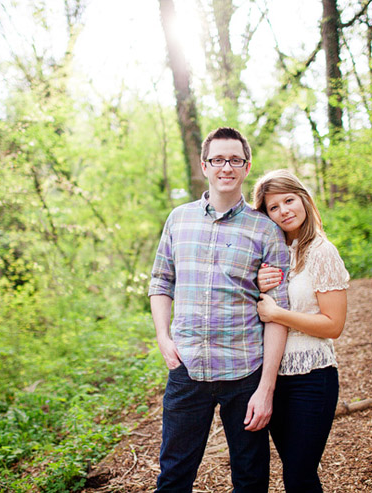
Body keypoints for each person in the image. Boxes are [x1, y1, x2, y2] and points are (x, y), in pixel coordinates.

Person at [148, 127, 291, 492]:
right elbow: (161, 282)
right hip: (187, 368)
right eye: (218, 160)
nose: (226, 167)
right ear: (204, 165)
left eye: (235, 160)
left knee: (250, 478)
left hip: (244, 372)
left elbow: (278, 312)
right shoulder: (178, 219)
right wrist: (163, 337)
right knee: (174, 476)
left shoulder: (265, 230)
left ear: (246, 167)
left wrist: (267, 388)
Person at [252, 169, 349, 492]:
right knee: (293, 473)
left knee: (299, 475)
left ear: (304, 199)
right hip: (272, 378)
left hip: (312, 377)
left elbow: (333, 325)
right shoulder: (273, 254)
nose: (284, 211)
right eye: (273, 207)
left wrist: (279, 313)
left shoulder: (322, 252)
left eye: (288, 200)